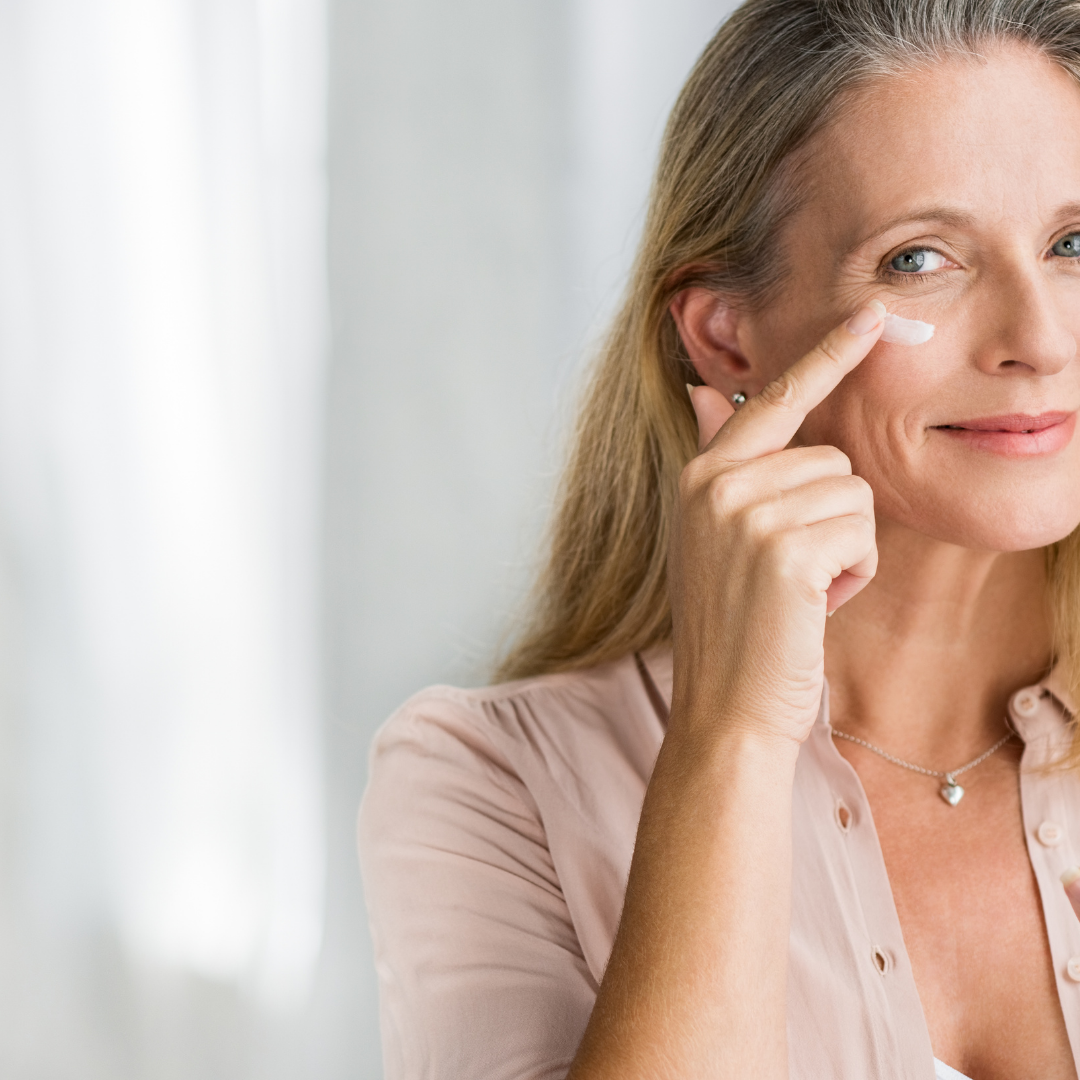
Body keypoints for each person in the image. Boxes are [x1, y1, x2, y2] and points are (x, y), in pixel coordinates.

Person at [358, 1, 1080, 1076]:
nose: (1040, 336)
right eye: (920, 259)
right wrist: (734, 738)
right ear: (725, 336)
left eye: (1075, 242)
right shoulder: (493, 784)